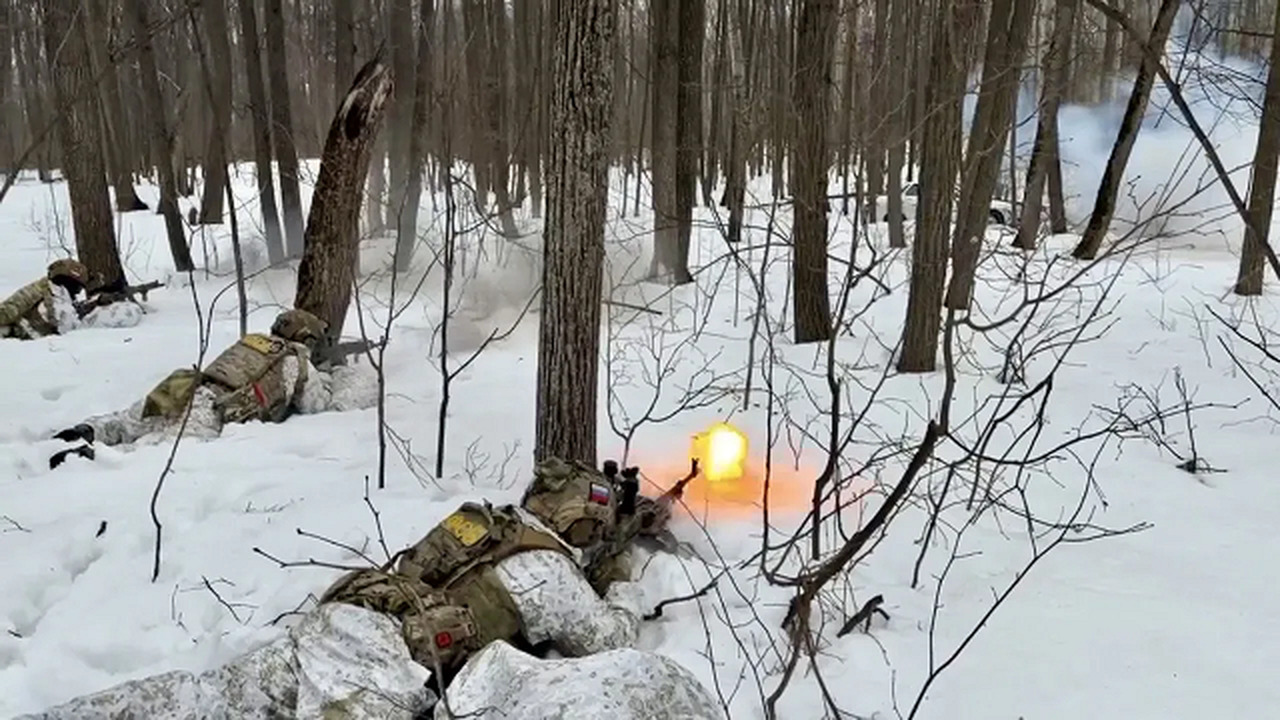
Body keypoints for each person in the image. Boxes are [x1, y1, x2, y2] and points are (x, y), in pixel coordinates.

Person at [19, 458, 722, 720]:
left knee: (205, 697)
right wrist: (624, 577)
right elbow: (612, 640)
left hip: (340, 618)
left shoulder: (488, 525)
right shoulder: (548, 572)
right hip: (377, 657)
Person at [47, 307, 376, 467]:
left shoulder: (254, 341)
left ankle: (88, 430)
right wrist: (335, 375)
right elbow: (316, 406)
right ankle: (88, 459)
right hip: (212, 409)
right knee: (157, 452)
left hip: (186, 385)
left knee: (128, 422)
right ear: (306, 339)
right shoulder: (296, 359)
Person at [0, 259, 90, 340]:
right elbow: (8, 311)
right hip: (21, 341)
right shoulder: (37, 290)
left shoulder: (64, 298)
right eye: (77, 287)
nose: (77, 292)